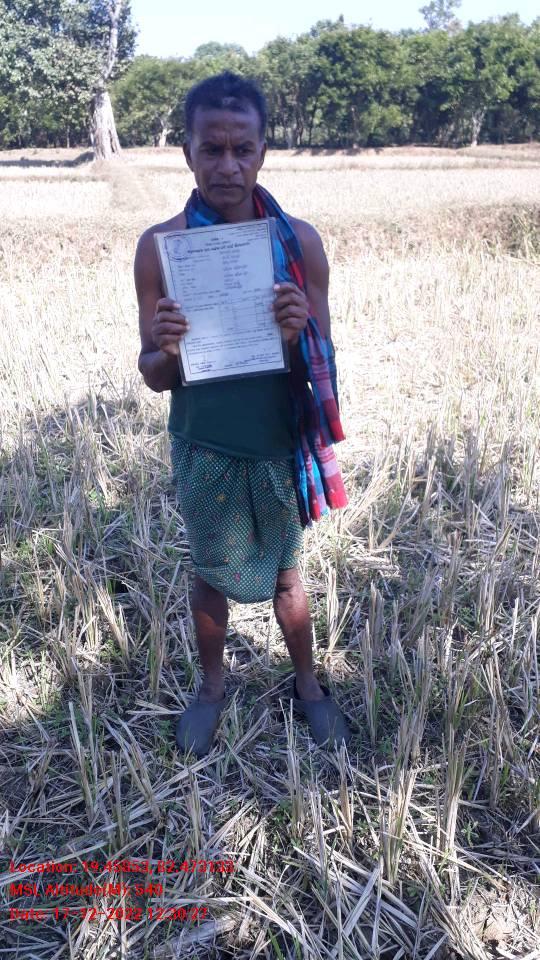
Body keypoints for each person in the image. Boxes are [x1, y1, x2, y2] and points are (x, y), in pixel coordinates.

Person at [134, 71, 350, 758]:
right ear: (188, 153)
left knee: (288, 574)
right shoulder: (161, 248)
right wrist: (166, 347)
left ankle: (308, 683)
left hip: (276, 437)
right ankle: (211, 686)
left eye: (242, 149)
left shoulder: (299, 244)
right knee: (209, 572)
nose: (227, 165)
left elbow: (318, 361)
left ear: (262, 152)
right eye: (212, 149)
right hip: (203, 440)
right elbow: (153, 376)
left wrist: (295, 330)